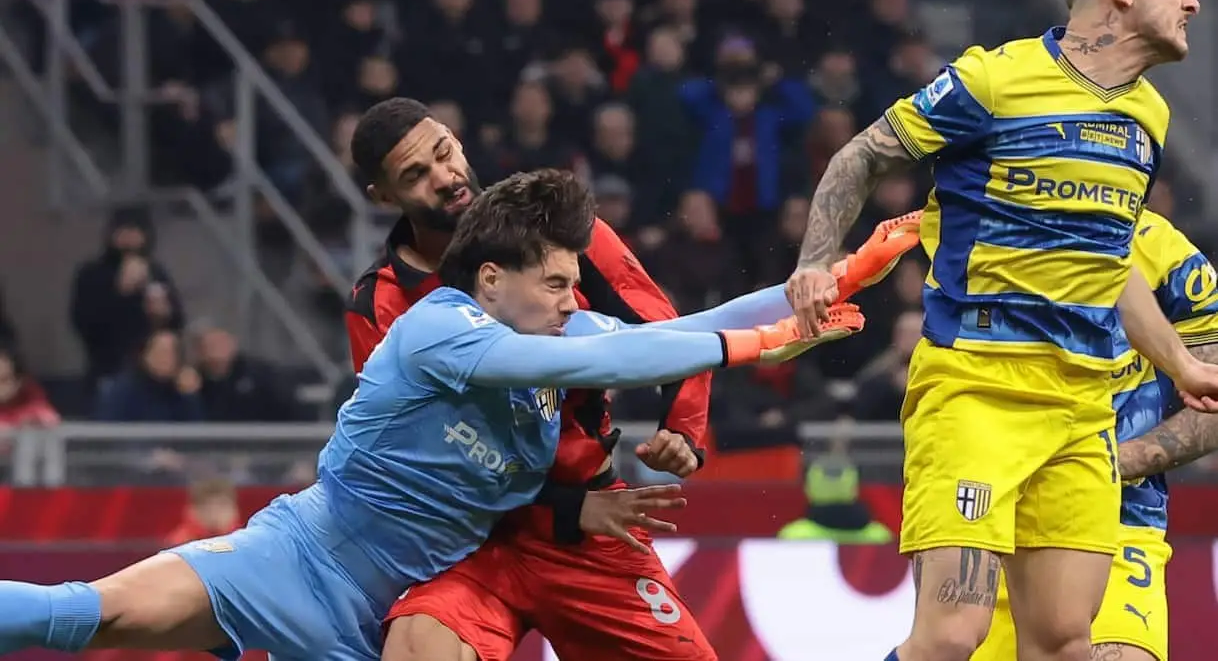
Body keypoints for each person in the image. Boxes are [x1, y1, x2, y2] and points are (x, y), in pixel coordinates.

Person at [0, 169, 843, 660]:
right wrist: (753, 345)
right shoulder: (439, 327)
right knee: (90, 614)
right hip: (293, 559)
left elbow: (683, 330)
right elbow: (606, 359)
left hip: (385, 613)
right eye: (554, 283)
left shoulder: (557, 333)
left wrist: (827, 281)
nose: (570, 300)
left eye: (572, 284)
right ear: (492, 280)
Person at [782, 0, 1218, 661]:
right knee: (953, 636)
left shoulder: (1147, 115)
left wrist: (1181, 365)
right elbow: (863, 155)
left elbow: (1108, 265)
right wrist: (815, 260)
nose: (1192, 1)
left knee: (1063, 643)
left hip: (1081, 413)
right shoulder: (995, 79)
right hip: (979, 391)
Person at [346, 98, 915, 661]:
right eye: (415, 175)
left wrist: (682, 425)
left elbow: (664, 334)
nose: (445, 177)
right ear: (383, 196)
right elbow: (421, 452)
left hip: (591, 530)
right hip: (471, 539)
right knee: (418, 646)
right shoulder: (384, 306)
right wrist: (566, 507)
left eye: (444, 152)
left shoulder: (561, 232)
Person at [972, 208, 1218, 661]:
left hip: (1122, 519)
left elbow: (1213, 400)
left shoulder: (1171, 258)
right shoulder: (985, 235)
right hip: (997, 522)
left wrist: (1116, 459)